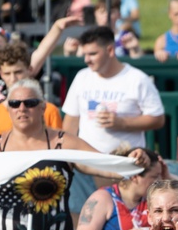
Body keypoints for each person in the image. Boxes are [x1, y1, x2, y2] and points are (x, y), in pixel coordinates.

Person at [0, 80, 148, 230]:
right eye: (15, 103)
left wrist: (132, 162)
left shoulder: (62, 142)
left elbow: (103, 165)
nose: (22, 109)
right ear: (8, 108)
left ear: (43, 107)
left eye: (30, 103)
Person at [60, 26, 165, 156]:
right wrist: (66, 155)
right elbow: (71, 121)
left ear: (110, 50)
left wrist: (122, 123)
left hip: (126, 164)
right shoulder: (82, 77)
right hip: (88, 164)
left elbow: (158, 119)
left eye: (92, 54)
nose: (87, 60)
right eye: (85, 54)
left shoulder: (137, 79)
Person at [75, 148, 163, 230]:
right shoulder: (102, 199)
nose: (160, 182)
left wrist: (168, 175)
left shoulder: (154, 198)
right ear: (135, 176)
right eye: (155, 177)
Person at [0, 43, 63, 135]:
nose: (13, 79)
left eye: (18, 72)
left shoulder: (50, 111)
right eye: (7, 73)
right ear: (1, 74)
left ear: (30, 70)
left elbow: (58, 145)